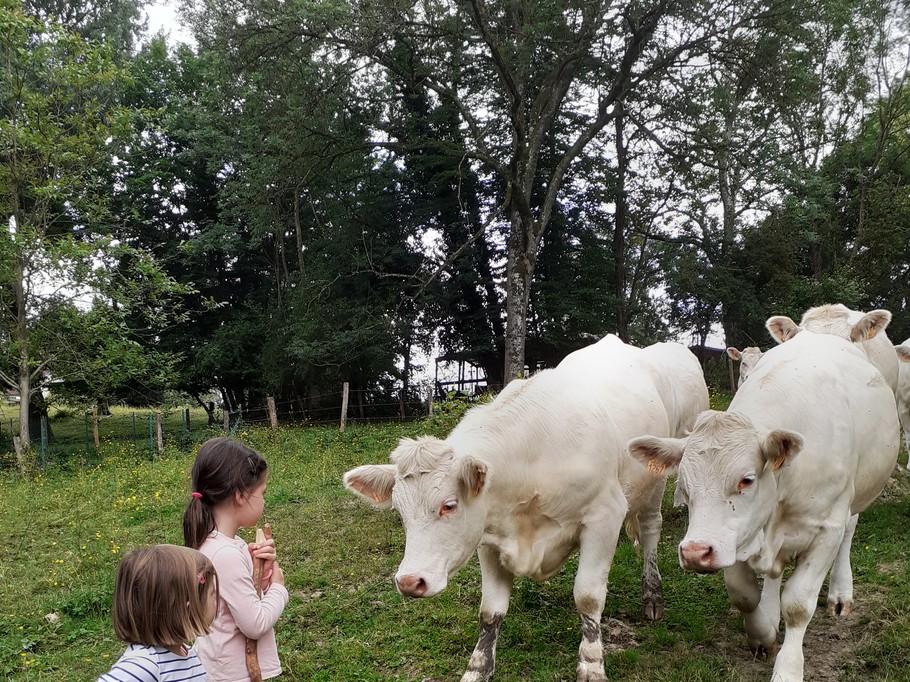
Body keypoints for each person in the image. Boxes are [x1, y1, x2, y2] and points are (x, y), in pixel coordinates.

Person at [183, 437, 289, 682]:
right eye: (262, 493)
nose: (264, 500)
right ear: (241, 495)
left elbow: (235, 602)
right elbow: (254, 623)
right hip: (232, 675)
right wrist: (279, 589)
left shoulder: (223, 544)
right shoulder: (225, 554)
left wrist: (261, 577)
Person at [97, 544, 218, 682]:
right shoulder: (145, 664)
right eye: (212, 594)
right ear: (187, 609)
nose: (217, 600)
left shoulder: (187, 654)